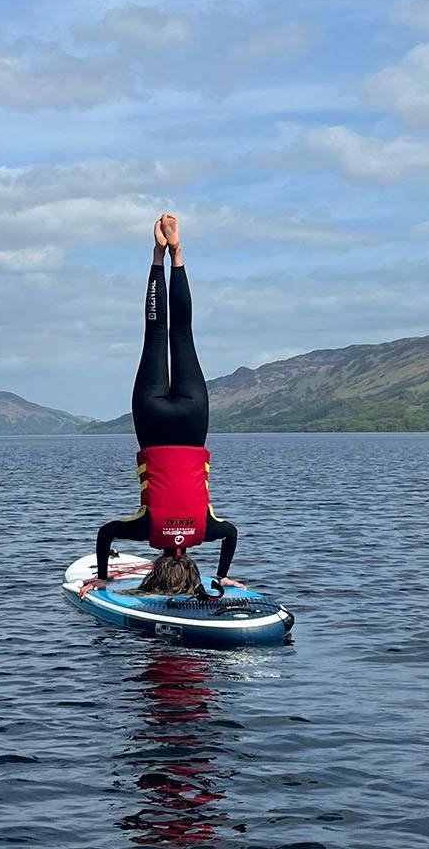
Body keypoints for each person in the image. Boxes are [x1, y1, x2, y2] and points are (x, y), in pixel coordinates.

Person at [81, 214, 240, 599]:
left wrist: (223, 574)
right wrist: (102, 574)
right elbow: (106, 533)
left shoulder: (206, 528)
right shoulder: (148, 529)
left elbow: (231, 535)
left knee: (182, 333)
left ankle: (177, 255)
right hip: (152, 423)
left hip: (191, 421)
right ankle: (159, 256)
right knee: (156, 334)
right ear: (160, 565)